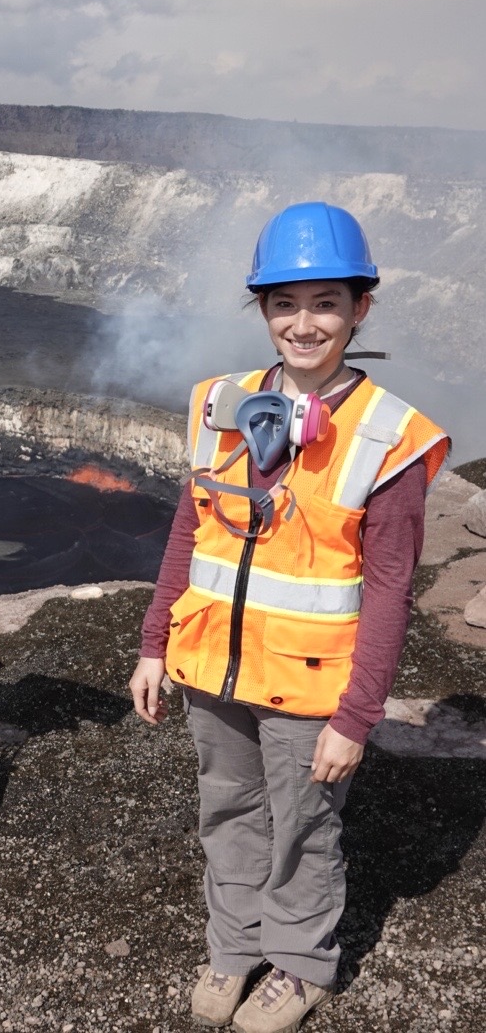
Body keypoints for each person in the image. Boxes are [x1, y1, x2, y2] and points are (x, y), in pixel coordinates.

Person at [128, 202, 450, 1033]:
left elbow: (389, 590)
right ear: (262, 309)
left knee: (304, 823)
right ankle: (234, 947)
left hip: (310, 684)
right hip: (215, 668)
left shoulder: (389, 438)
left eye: (326, 303)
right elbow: (187, 529)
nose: (303, 324)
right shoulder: (219, 405)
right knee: (227, 807)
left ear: (360, 309)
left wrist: (358, 715)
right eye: (284, 304)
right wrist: (154, 642)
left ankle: (300, 964)